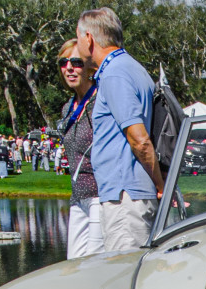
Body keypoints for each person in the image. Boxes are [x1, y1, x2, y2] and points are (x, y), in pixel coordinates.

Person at [76, 6, 164, 251]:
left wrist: (160, 184)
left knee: (124, 274)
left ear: (88, 38)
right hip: (130, 194)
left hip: (126, 197)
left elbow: (139, 139)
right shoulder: (131, 67)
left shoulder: (115, 74)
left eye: (78, 37)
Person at [57, 38, 104, 259]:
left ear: (89, 66)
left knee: (94, 264)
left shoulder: (101, 102)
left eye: (75, 62)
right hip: (78, 198)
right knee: (73, 263)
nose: (69, 68)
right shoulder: (68, 107)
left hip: (99, 197)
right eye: (63, 63)